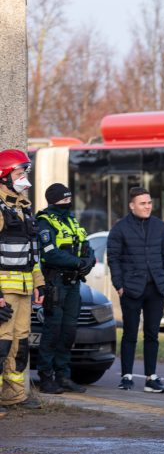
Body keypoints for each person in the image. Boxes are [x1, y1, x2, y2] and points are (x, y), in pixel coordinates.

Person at [107, 187, 164, 391]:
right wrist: (119, 285)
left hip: (156, 288)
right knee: (129, 333)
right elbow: (113, 258)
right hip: (131, 289)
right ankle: (126, 376)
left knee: (152, 334)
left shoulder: (159, 226)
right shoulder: (120, 228)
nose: (147, 207)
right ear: (132, 205)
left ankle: (151, 377)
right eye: (143, 203)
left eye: (149, 203)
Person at [35, 183, 96, 394]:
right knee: (53, 331)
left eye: (69, 199)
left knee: (69, 332)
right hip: (56, 283)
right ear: (54, 201)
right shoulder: (44, 222)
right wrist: (78, 263)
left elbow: (85, 245)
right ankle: (46, 377)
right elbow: (50, 253)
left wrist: (89, 260)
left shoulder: (71, 220)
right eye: (63, 200)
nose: (67, 203)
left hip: (73, 283)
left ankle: (63, 376)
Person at [0, 149, 45, 413]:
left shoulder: (23, 209)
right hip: (4, 290)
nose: (23, 179)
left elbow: (33, 254)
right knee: (2, 344)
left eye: (25, 173)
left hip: (25, 288)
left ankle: (14, 396)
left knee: (21, 344)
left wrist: (38, 283)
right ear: (4, 176)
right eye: (19, 173)